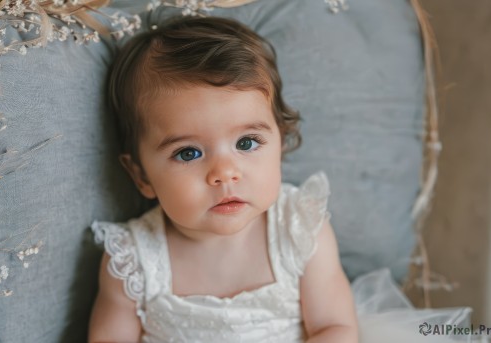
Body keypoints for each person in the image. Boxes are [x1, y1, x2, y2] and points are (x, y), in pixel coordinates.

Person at [89, 15, 350, 343]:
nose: (225, 173)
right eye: (188, 153)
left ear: (280, 143)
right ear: (141, 175)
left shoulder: (299, 231)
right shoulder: (134, 262)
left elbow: (334, 328)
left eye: (246, 143)